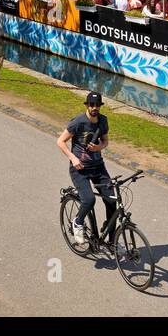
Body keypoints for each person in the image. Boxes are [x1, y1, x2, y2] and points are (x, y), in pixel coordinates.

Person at [57, 91, 115, 250]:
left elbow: (105, 142)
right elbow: (60, 141)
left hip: (98, 167)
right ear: (87, 105)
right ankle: (78, 222)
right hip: (80, 169)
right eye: (91, 105)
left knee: (112, 200)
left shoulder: (103, 121)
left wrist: (99, 147)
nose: (94, 107)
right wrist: (73, 158)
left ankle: (111, 242)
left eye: (97, 105)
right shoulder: (78, 122)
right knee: (89, 200)